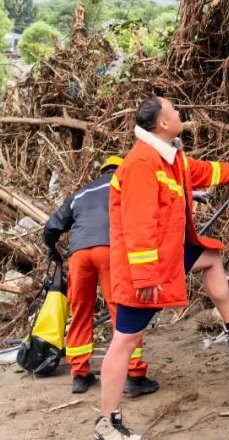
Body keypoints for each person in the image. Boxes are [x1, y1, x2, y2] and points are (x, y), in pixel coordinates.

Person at [95, 95, 229, 440]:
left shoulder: (169, 157)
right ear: (163, 124)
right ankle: (106, 423)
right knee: (124, 342)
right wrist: (145, 276)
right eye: (174, 111)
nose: (180, 113)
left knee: (210, 258)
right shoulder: (142, 162)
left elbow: (202, 171)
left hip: (166, 257)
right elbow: (138, 224)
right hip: (142, 270)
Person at [42, 156, 158, 397]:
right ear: (121, 169)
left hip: (79, 255)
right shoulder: (124, 184)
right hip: (110, 251)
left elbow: (52, 226)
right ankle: (134, 375)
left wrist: (52, 249)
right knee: (122, 311)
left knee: (80, 311)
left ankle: (80, 374)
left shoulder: (82, 193)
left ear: (102, 171)